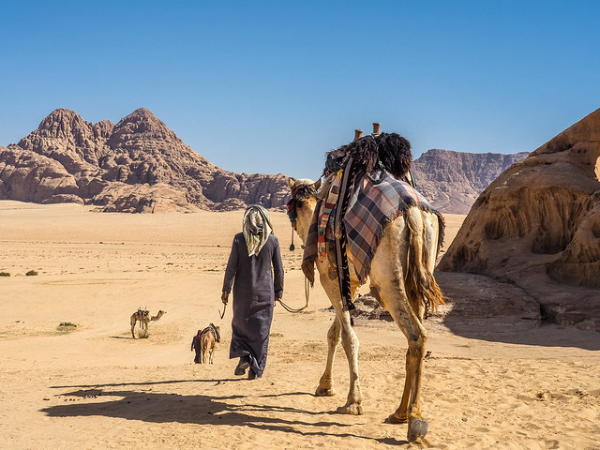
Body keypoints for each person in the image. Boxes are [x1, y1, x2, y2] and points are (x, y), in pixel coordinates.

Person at [221, 205, 284, 380]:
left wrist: (226, 290)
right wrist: (279, 291)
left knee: (241, 328)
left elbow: (231, 268)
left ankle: (244, 357)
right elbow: (279, 270)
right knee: (261, 332)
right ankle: (255, 370)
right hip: (265, 294)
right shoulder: (272, 241)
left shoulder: (239, 240)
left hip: (242, 295)